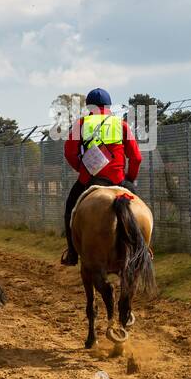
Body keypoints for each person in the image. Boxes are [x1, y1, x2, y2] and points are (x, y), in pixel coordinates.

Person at [60, 87, 142, 266]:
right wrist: (129, 179)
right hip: (118, 179)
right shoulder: (121, 125)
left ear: (89, 106)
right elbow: (136, 157)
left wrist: (82, 169)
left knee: (69, 209)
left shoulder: (81, 123)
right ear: (108, 105)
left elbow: (70, 153)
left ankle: (72, 252)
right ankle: (143, 250)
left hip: (90, 180)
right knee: (138, 209)